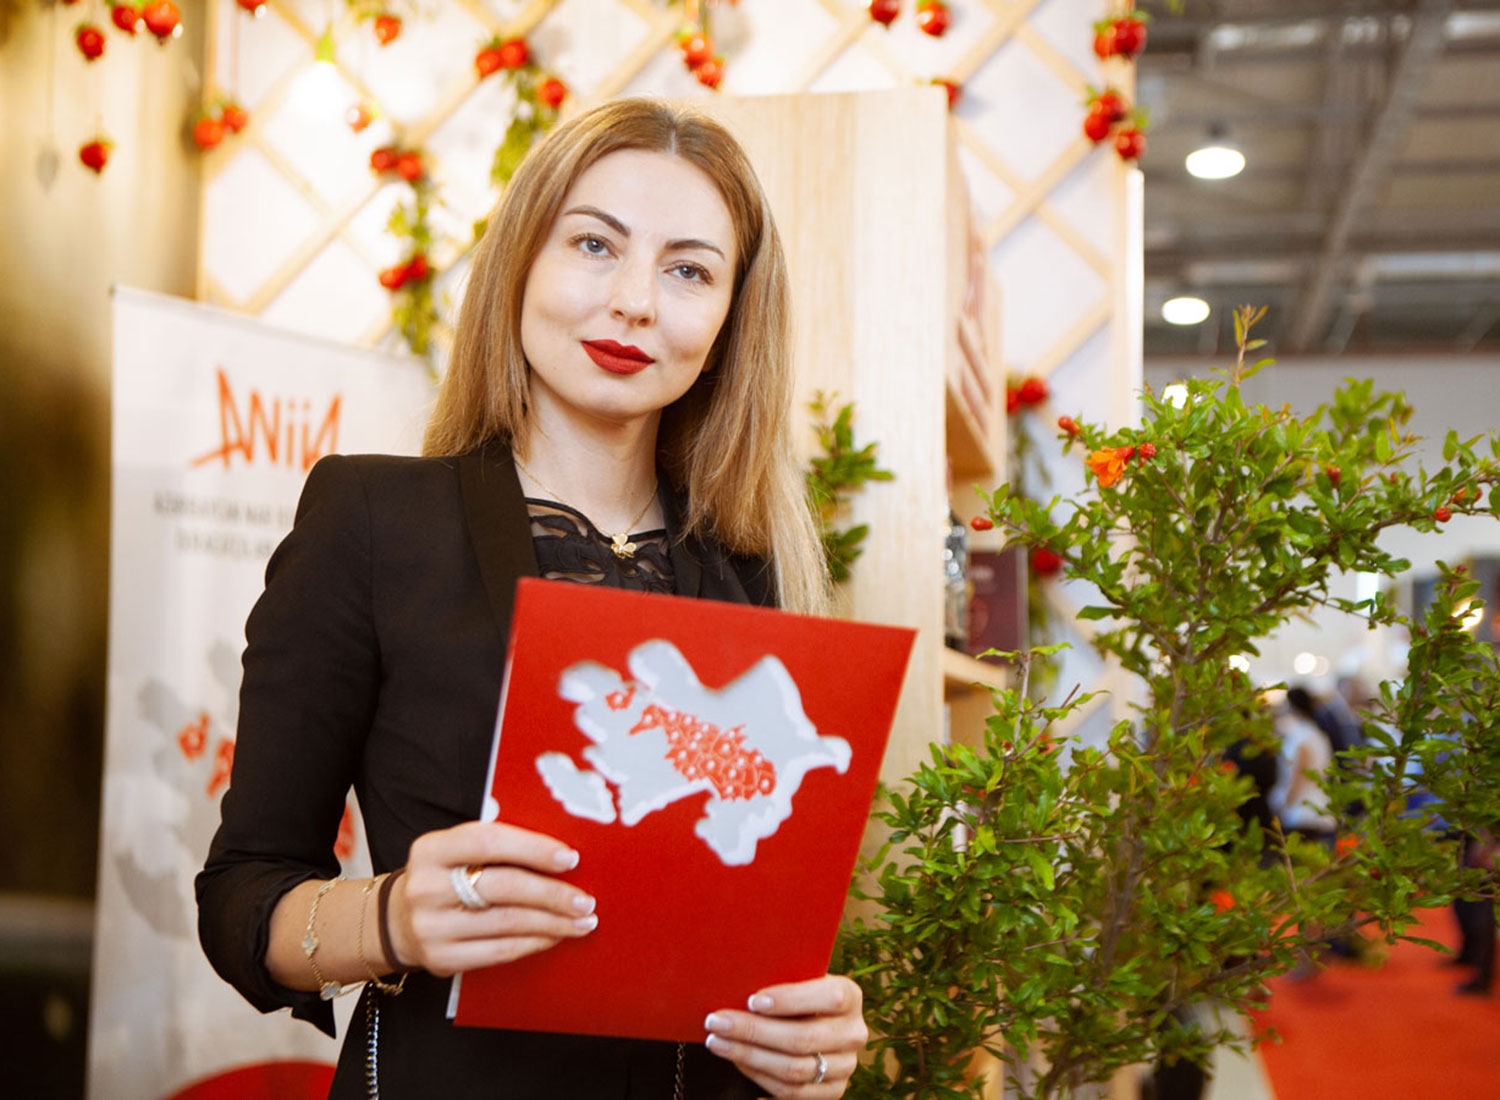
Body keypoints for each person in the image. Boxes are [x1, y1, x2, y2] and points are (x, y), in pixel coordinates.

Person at [197, 97, 867, 1099]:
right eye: (595, 245)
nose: (635, 302)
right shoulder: (372, 521)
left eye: (689, 270)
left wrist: (813, 1047)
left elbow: (760, 937)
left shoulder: (758, 571)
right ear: (521, 261)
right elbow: (242, 895)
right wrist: (391, 918)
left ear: (732, 319)